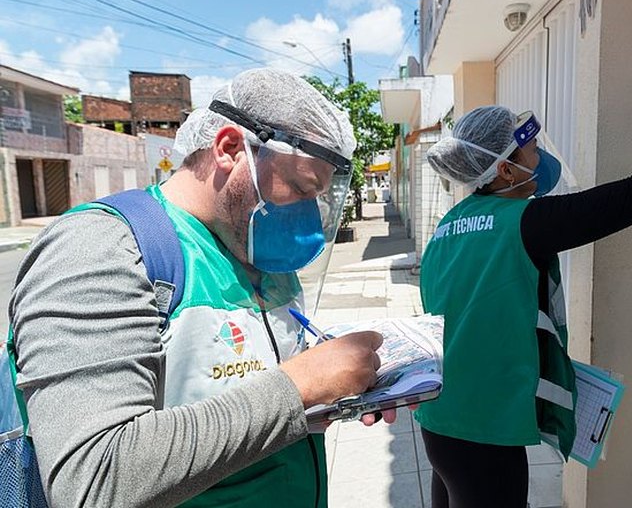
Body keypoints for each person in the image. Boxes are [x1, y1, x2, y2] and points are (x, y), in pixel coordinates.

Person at [8, 68, 398, 507]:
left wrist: (334, 387)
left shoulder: (256, 248)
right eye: (301, 188)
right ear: (230, 148)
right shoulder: (101, 248)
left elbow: (250, 387)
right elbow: (93, 480)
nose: (308, 214)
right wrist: (301, 386)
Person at [415, 51, 632, 507]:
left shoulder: (450, 224)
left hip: (441, 418)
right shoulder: (523, 221)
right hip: (484, 433)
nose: (539, 156)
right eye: (530, 149)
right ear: (503, 168)